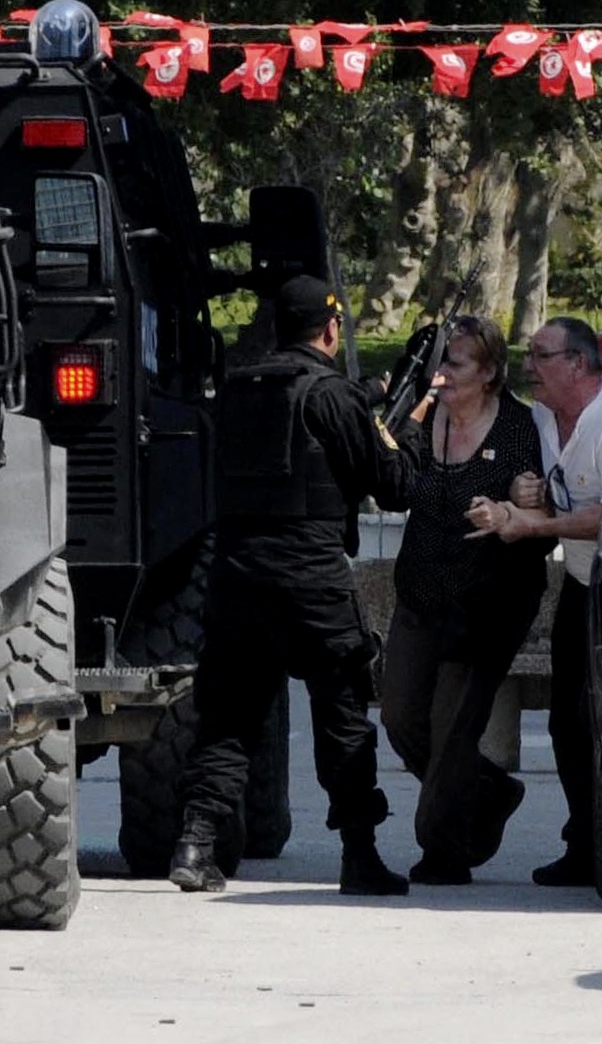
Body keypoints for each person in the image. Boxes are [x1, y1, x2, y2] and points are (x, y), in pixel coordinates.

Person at [170, 276, 434, 895]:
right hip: (310, 579)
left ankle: (195, 841)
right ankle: (359, 854)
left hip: (236, 574)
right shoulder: (332, 395)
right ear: (331, 329)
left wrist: (369, 399)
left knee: (229, 717)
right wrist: (412, 425)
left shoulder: (235, 391)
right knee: (342, 713)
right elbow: (394, 486)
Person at [380, 316, 552, 885]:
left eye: (456, 364)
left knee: (453, 726)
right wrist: (388, 419)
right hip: (421, 594)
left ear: (490, 374)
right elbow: (392, 489)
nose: (444, 374)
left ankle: (444, 851)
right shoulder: (423, 419)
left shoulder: (519, 429)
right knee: (402, 718)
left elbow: (542, 515)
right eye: (441, 362)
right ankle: (489, 787)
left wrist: (521, 501)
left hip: (486, 603)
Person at [469, 316, 602, 887]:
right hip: (583, 580)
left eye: (541, 355)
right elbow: (540, 487)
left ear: (578, 364)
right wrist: (524, 492)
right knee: (567, 720)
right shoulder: (544, 415)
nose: (529, 366)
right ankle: (583, 840)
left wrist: (533, 527)